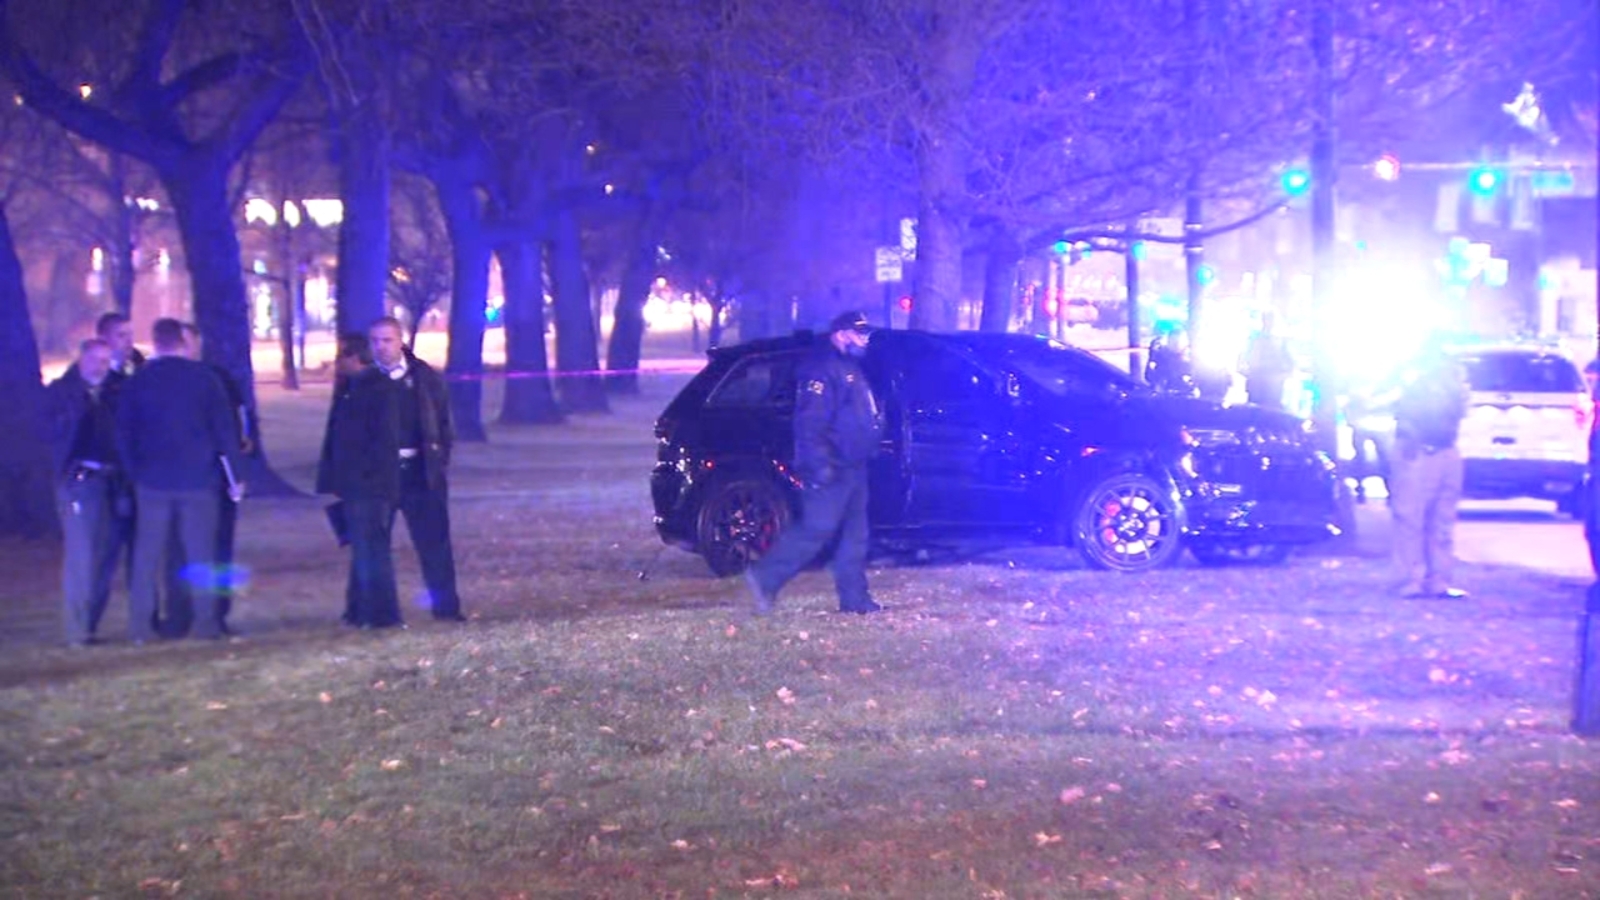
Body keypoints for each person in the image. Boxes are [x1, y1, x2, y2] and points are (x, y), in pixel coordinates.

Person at [744, 311, 884, 615]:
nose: (865, 339)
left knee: (854, 536)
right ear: (842, 333)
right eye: (860, 334)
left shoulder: (848, 366)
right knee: (817, 530)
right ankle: (764, 577)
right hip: (831, 466)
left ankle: (855, 599)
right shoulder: (822, 368)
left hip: (853, 465)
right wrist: (818, 465)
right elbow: (809, 424)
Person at [115, 318, 245, 643]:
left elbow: (124, 433)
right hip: (199, 480)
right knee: (201, 553)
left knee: (146, 557)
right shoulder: (205, 379)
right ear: (182, 342)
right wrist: (235, 476)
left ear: (156, 342)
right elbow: (224, 432)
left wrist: (134, 473)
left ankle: (140, 626)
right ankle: (206, 623)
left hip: (152, 481)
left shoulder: (139, 380)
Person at [368, 316, 467, 623]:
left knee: (434, 543)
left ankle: (446, 608)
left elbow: (443, 423)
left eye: (387, 340)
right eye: (375, 341)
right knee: (374, 546)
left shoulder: (425, 378)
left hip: (421, 473)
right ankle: (381, 613)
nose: (381, 347)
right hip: (380, 476)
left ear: (401, 342)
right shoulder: (363, 383)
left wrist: (439, 461)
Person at [317, 333, 406, 629]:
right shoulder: (360, 389)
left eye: (342, 356)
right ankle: (359, 609)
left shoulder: (370, 392)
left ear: (355, 358)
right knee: (365, 548)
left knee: (371, 549)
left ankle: (378, 613)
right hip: (365, 484)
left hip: (368, 485)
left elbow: (371, 442)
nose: (337, 363)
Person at [43, 339, 123, 647]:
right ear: (81, 358)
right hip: (80, 480)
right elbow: (51, 435)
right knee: (83, 555)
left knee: (105, 555)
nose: (99, 367)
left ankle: (89, 623)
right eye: (94, 359)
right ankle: (77, 630)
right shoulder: (63, 393)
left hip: (112, 481)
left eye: (105, 360)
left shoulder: (115, 392)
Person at [180, 322, 255, 634]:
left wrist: (240, 448)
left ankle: (217, 611)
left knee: (220, 544)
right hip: (185, 477)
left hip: (217, 476)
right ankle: (188, 610)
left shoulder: (217, 378)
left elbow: (240, 420)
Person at [1388, 335, 1469, 599]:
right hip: (1423, 449)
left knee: (1437, 519)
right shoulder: (1414, 377)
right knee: (1415, 518)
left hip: (1440, 448)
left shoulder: (1443, 380)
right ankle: (1414, 579)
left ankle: (1434, 579)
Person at [1242, 313, 1294, 410]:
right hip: (1258, 377)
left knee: (1271, 405)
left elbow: (1288, 359)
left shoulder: (1279, 340)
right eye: (1266, 319)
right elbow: (1246, 355)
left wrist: (1287, 372)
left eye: (1270, 320)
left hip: (1272, 379)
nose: (1268, 322)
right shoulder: (1255, 339)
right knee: (1256, 405)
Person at [96, 312, 145, 380]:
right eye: (121, 335)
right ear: (103, 339)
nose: (129, 341)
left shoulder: (137, 359)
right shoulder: (92, 368)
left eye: (131, 334)